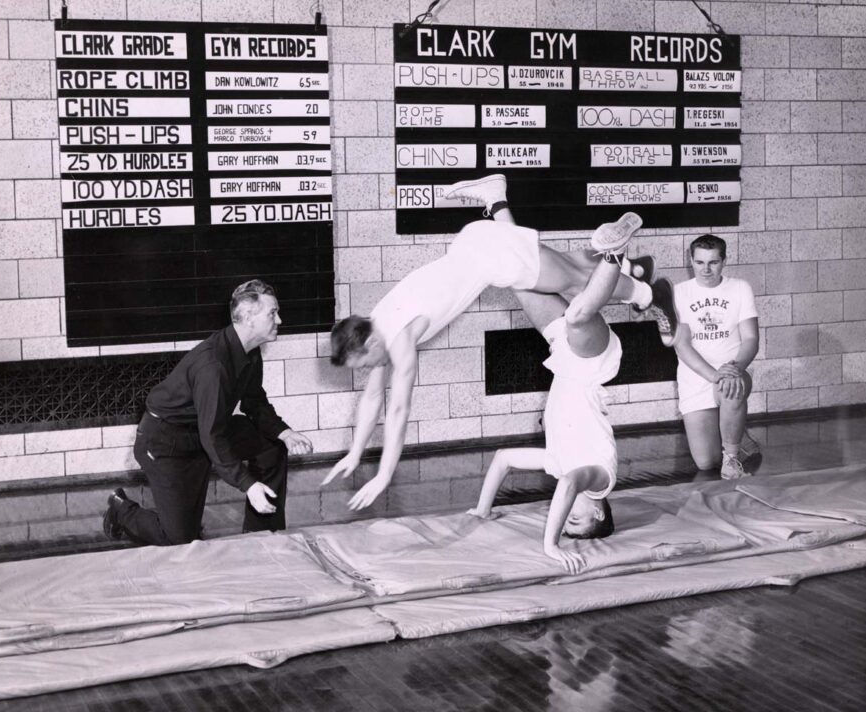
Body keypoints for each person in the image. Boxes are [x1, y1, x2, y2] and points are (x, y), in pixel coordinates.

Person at [324, 174, 678, 511]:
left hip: (496, 257)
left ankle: (649, 293)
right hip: (474, 241)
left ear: (368, 344)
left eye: (365, 364)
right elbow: (372, 397)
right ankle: (630, 267)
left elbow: (398, 409)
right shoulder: (378, 319)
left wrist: (385, 474)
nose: (371, 369)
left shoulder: (398, 341)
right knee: (569, 267)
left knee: (576, 284)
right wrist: (355, 454)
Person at [466, 226, 639, 573]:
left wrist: (483, 509)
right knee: (577, 314)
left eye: (567, 524)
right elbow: (570, 483)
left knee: (516, 275)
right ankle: (616, 256)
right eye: (577, 521)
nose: (568, 519)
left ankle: (498, 204)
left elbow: (503, 459)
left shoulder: (559, 462)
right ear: (599, 510)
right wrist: (551, 543)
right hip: (592, 362)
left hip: (563, 351)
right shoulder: (600, 479)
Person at [102, 279, 313, 546]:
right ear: (248, 317)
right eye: (273, 313)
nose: (280, 320)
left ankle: (261, 535)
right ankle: (121, 509)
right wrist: (248, 484)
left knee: (272, 444)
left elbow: (253, 402)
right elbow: (212, 436)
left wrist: (285, 432)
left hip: (205, 431)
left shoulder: (250, 352)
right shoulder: (213, 366)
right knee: (178, 537)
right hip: (167, 442)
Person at [672, 234, 760, 479]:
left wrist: (733, 368)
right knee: (706, 462)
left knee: (730, 384)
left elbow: (751, 339)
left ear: (724, 261)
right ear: (691, 261)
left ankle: (732, 459)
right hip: (697, 377)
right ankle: (738, 435)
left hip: (732, 371)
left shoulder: (740, 288)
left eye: (713, 262)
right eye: (700, 262)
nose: (706, 269)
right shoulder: (679, 293)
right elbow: (682, 345)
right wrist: (714, 374)